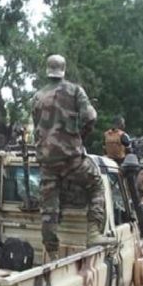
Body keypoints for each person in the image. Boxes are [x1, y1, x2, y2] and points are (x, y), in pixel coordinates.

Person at [31, 54, 112, 257]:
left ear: (47, 70)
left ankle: (51, 253)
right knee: (95, 183)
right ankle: (93, 233)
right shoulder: (75, 90)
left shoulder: (37, 97)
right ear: (64, 69)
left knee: (49, 210)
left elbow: (37, 127)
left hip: (47, 162)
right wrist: (80, 135)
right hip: (71, 160)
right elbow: (91, 116)